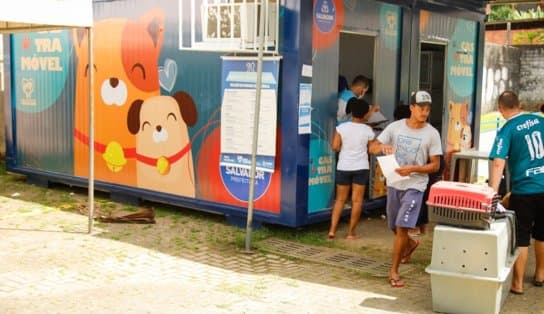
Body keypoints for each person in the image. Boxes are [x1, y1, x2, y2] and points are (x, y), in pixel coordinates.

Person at [369, 90, 442, 288]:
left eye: (427, 109)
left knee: (402, 227)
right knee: (394, 225)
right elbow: (372, 146)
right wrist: (382, 148)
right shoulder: (395, 127)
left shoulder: (432, 134)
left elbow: (435, 165)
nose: (425, 113)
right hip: (394, 184)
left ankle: (394, 271)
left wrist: (414, 169)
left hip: (415, 186)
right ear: (412, 107)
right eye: (421, 108)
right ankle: (409, 244)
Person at [489, 91, 544, 295]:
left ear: (501, 109)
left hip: (524, 190)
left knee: (522, 236)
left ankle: (518, 283)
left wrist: (493, 194)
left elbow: (498, 163)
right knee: (542, 234)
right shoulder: (540, 121)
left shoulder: (508, 129)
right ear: (520, 105)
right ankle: (540, 274)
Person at [328, 98, 375, 240]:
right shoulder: (368, 130)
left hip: (344, 166)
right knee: (356, 201)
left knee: (340, 200)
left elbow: (335, 146)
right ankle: (350, 233)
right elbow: (372, 150)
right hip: (361, 167)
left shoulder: (341, 128)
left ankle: (332, 231)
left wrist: (345, 149)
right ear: (366, 114)